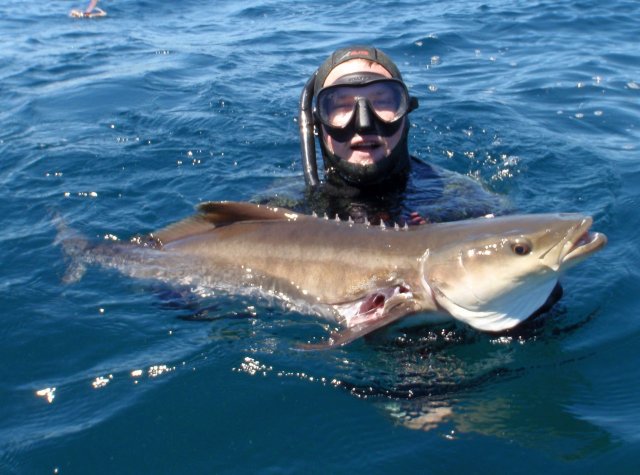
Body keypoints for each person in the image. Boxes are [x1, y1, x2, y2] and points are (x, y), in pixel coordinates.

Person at [297, 45, 504, 225]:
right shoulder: (284, 208)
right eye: (341, 105)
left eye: (382, 101)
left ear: (406, 114)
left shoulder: (466, 202)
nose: (364, 124)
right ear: (317, 125)